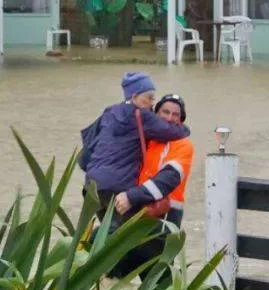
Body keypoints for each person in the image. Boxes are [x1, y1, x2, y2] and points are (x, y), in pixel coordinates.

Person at [79, 72, 191, 226]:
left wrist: (97, 172)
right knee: (124, 239)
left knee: (109, 240)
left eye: (176, 115)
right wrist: (184, 128)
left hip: (92, 188)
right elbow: (172, 131)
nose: (151, 103)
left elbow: (86, 150)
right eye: (150, 98)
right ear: (134, 97)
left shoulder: (110, 112)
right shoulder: (144, 118)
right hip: (121, 192)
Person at [108, 94, 195, 278]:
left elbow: (168, 179)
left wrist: (131, 197)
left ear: (181, 119)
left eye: (175, 115)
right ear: (155, 114)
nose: (170, 118)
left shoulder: (183, 145)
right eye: (165, 112)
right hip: (133, 213)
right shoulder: (145, 139)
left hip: (163, 218)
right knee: (107, 262)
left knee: (156, 275)